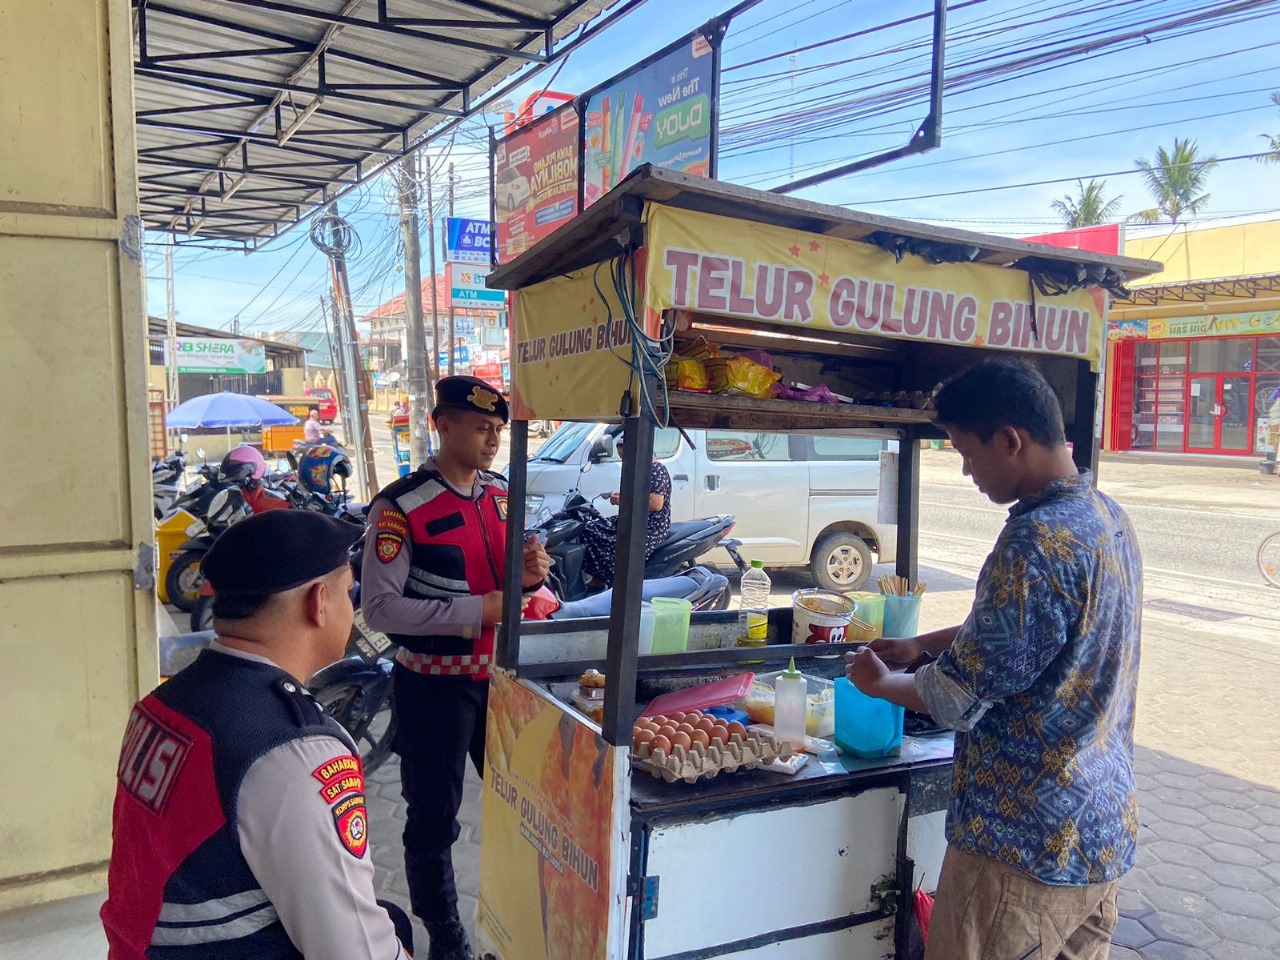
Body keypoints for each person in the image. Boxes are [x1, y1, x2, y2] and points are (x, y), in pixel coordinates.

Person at [846, 358, 1142, 960]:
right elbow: (1035, 632)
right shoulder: (1105, 516)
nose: (966, 471)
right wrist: (921, 645)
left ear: (1010, 440)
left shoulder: (1035, 540)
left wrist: (881, 683)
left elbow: (955, 699)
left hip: (1019, 853)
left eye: (966, 452)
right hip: (1099, 834)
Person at [100, 510, 412, 960]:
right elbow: (355, 951)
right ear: (319, 602)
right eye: (348, 592)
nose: (352, 607)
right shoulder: (293, 751)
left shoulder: (162, 703)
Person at [361, 375, 550, 960]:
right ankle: (445, 935)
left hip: (501, 683)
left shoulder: (500, 495)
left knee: (520, 808)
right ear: (443, 425)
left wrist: (530, 577)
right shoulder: (401, 505)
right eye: (481, 427)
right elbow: (380, 608)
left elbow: (511, 587)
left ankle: (516, 924)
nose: (493, 440)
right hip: (432, 689)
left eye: (498, 430)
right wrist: (477, 611)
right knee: (434, 819)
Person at [581, 434, 672, 586]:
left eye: (626, 457)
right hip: (632, 520)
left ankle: (614, 582)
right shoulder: (639, 469)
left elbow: (656, 504)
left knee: (619, 549)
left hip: (650, 526)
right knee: (590, 529)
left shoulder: (656, 470)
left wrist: (624, 501)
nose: (625, 461)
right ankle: (598, 578)